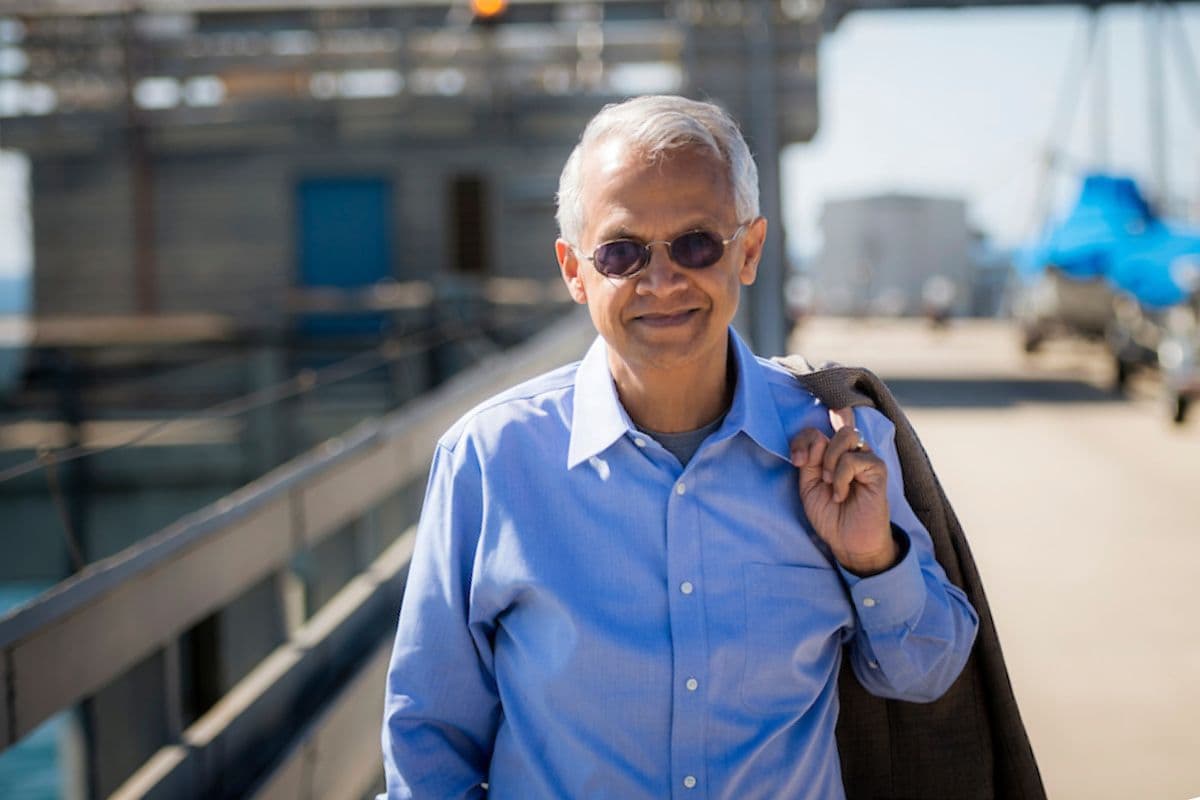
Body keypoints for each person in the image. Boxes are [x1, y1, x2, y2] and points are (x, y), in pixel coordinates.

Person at [379, 95, 979, 799]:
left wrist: (874, 560)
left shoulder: (841, 441)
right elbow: (429, 744)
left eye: (697, 243)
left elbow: (927, 675)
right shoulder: (491, 461)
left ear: (748, 251)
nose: (662, 282)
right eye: (622, 252)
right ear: (576, 271)